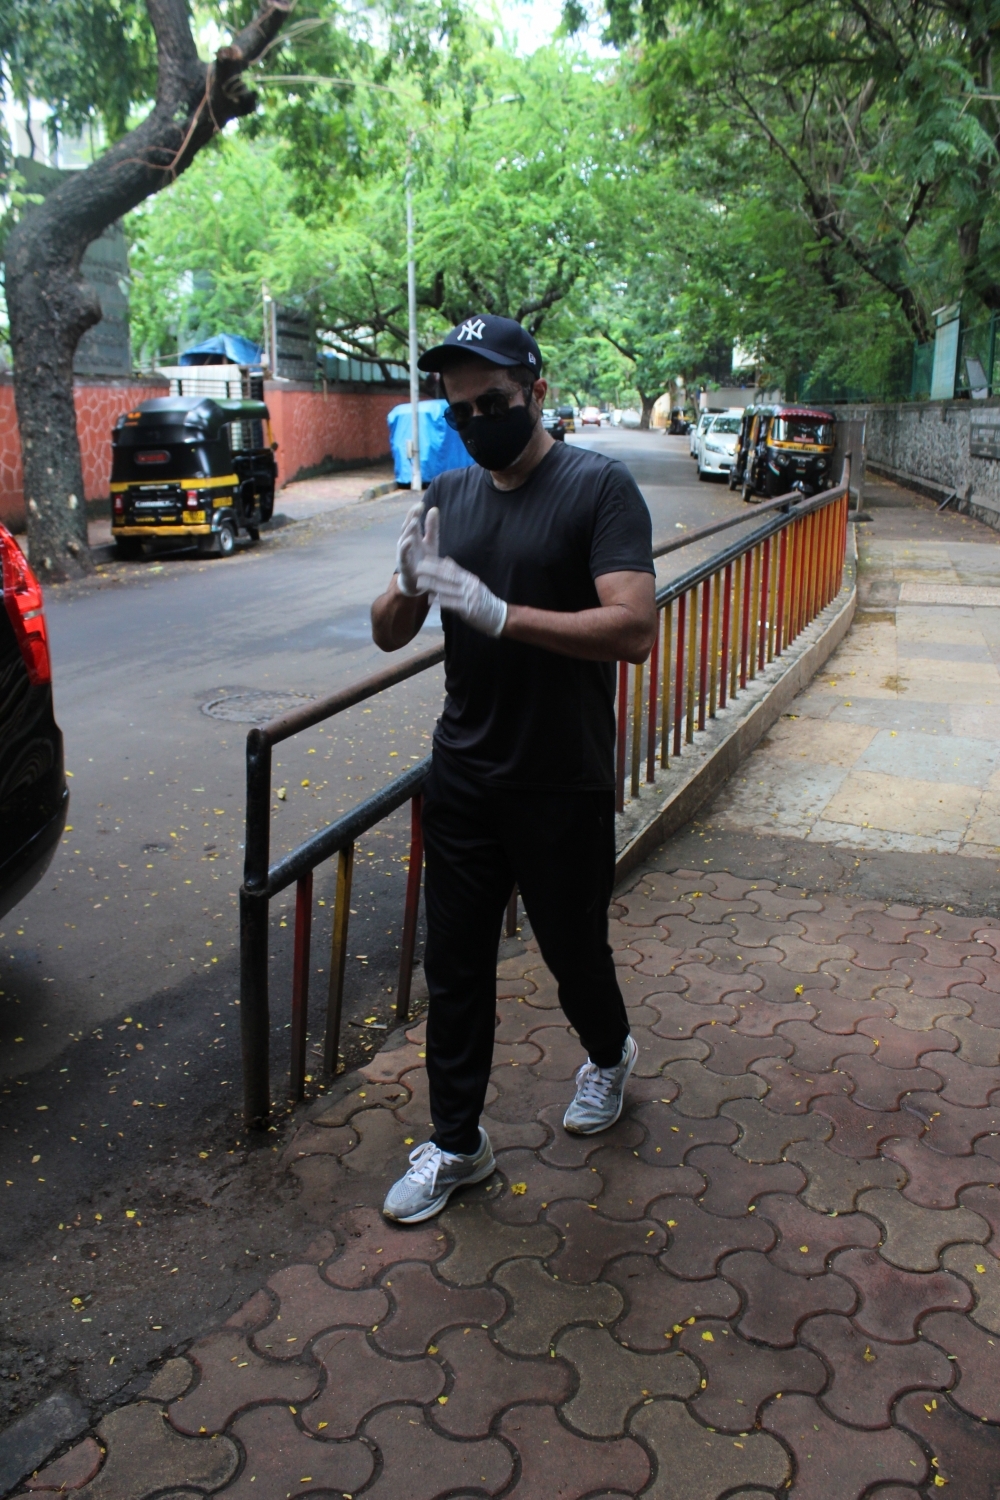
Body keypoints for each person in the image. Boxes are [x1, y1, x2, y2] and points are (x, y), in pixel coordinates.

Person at [370, 314, 657, 1223]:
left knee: (573, 952)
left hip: (560, 777)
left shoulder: (597, 489)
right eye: (460, 411)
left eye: (492, 401)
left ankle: (609, 1054)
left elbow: (635, 628)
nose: (476, 421)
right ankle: (459, 1143)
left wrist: (503, 613)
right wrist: (408, 581)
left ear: (534, 389)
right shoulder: (450, 493)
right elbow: (386, 632)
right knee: (452, 965)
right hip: (463, 772)